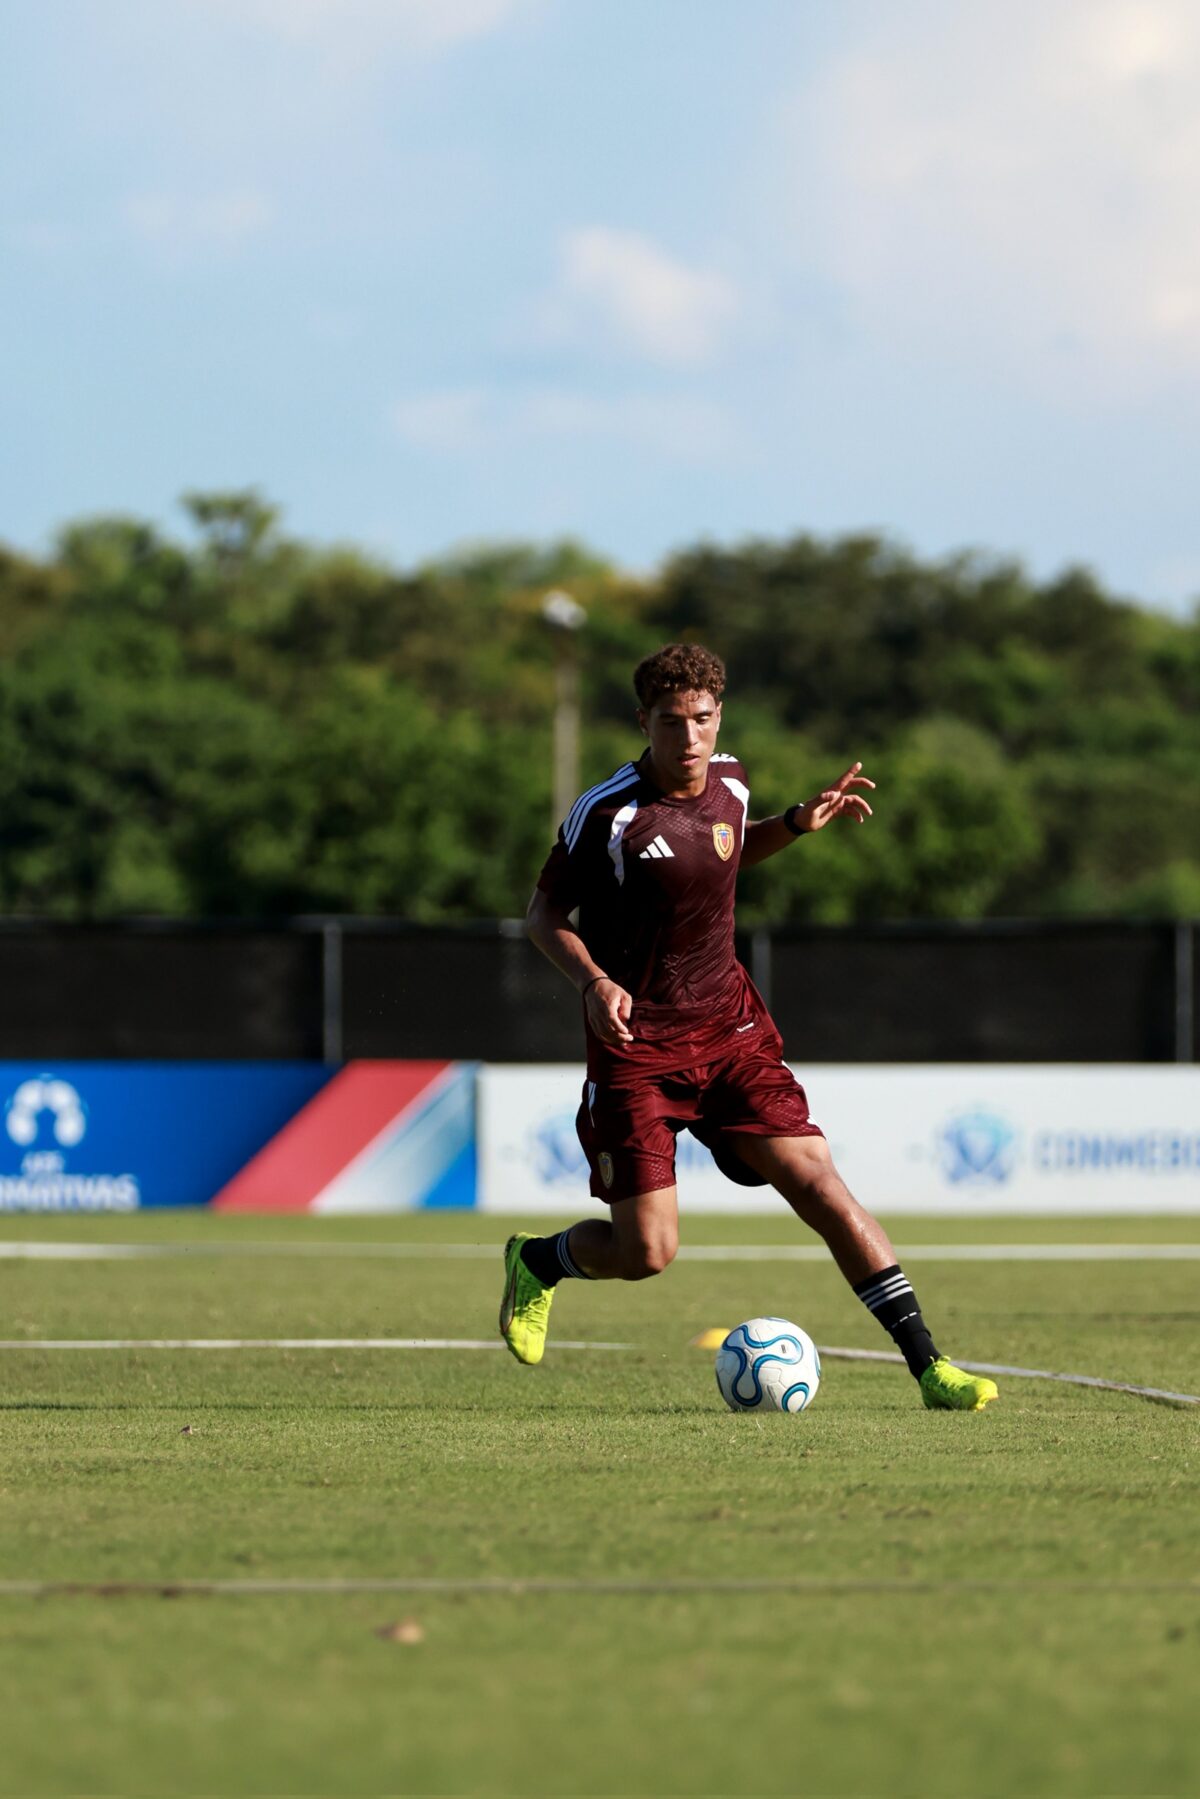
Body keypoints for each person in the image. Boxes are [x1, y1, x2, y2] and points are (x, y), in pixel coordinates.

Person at [499, 642, 998, 1411]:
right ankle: (539, 1260)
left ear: (718, 716)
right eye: (672, 722)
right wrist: (594, 980)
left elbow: (729, 851)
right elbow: (541, 916)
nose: (689, 737)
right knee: (647, 1251)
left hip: (732, 1035)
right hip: (638, 1053)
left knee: (819, 1181)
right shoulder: (607, 813)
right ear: (644, 721)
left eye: (702, 719)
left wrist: (795, 823)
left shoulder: (731, 781)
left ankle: (930, 1365)